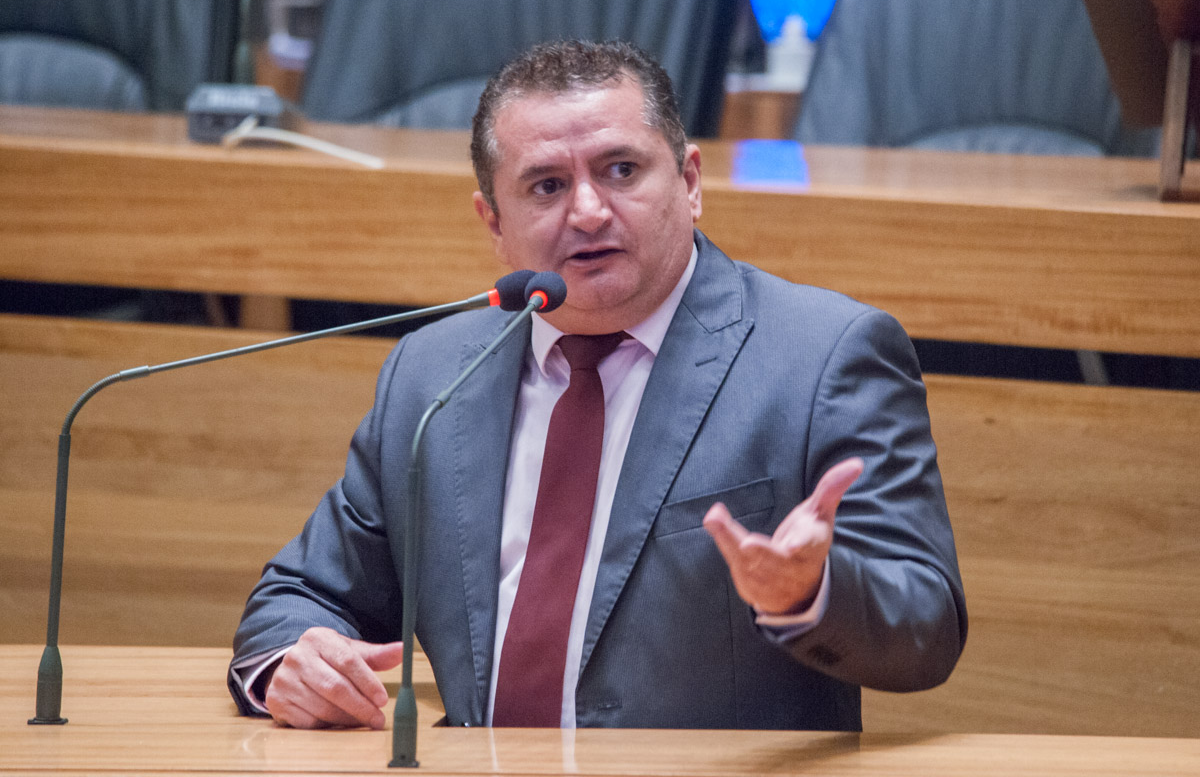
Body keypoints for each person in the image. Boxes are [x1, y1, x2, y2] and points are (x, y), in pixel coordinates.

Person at [229, 40, 966, 732]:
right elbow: (301, 595)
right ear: (494, 222)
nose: (588, 211)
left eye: (621, 170)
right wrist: (292, 663)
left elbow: (926, 624)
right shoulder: (433, 375)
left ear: (690, 182)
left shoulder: (822, 356)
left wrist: (812, 592)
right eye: (547, 185)